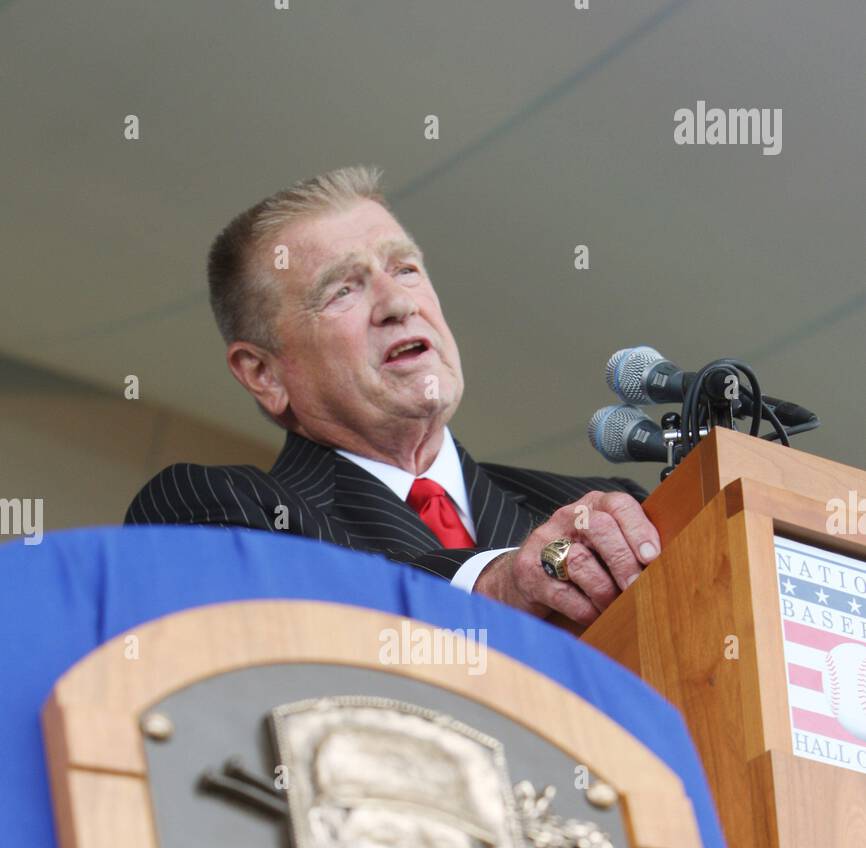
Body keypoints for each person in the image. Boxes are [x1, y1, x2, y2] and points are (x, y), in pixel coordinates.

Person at [126, 166, 660, 632]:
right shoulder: (210, 509)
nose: (398, 303)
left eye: (405, 269)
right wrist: (491, 588)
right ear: (263, 373)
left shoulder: (606, 505)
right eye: (343, 290)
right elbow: (303, 637)